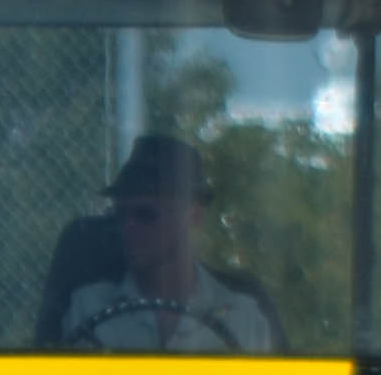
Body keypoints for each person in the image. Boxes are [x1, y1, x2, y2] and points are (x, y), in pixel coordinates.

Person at [58, 134, 279, 351]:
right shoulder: (88, 308)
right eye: (119, 215)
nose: (127, 228)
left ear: (193, 217)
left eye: (146, 215)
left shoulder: (241, 317)